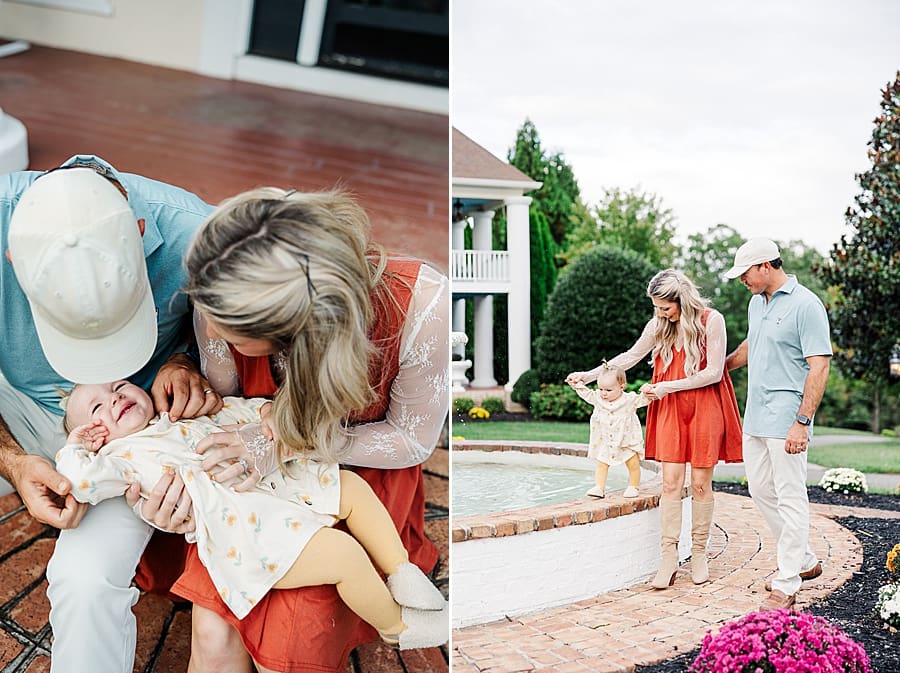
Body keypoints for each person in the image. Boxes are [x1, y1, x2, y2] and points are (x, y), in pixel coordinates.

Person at [169, 187, 449, 673]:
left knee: (298, 642)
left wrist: (290, 440)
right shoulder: (222, 284)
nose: (208, 332)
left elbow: (410, 441)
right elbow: (223, 399)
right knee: (213, 634)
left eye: (227, 328)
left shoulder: (423, 305)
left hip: (355, 480)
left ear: (298, 332)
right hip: (253, 491)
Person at [0, 157, 223, 673]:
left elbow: (254, 352)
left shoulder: (202, 237)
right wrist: (12, 461)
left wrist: (186, 358)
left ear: (140, 232)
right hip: (21, 404)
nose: (103, 374)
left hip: (147, 431)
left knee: (83, 575)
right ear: (14, 260)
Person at [57, 380, 447, 649]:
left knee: (353, 490)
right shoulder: (118, 460)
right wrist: (76, 449)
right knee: (343, 556)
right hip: (250, 534)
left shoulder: (173, 418)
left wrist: (267, 412)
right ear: (96, 436)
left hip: (280, 487)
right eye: (97, 408)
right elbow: (79, 480)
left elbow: (232, 412)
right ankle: (396, 627)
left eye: (118, 386)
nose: (114, 398)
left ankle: (401, 571)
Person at [567, 269, 742, 589]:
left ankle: (700, 554)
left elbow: (715, 372)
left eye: (665, 307)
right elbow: (630, 356)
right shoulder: (658, 326)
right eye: (657, 308)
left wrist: (665, 387)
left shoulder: (711, 320)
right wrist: (589, 375)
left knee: (701, 484)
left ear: (682, 300)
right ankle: (669, 557)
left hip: (704, 407)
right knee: (671, 484)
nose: (660, 313)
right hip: (671, 410)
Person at [723, 238, 831, 610]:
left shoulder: (807, 305)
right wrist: (718, 367)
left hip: (787, 418)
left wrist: (802, 422)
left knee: (790, 496)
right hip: (755, 416)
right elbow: (751, 346)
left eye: (746, 273)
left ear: (766, 266)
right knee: (761, 492)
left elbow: (820, 366)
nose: (743, 281)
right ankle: (803, 560)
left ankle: (787, 581)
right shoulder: (757, 303)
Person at [567, 362, 648, 499]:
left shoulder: (629, 400)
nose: (603, 393)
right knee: (602, 464)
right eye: (601, 389)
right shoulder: (597, 398)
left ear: (621, 387)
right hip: (606, 440)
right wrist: (576, 385)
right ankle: (599, 487)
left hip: (625, 440)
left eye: (608, 390)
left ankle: (633, 486)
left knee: (633, 463)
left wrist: (649, 392)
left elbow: (644, 400)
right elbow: (586, 393)